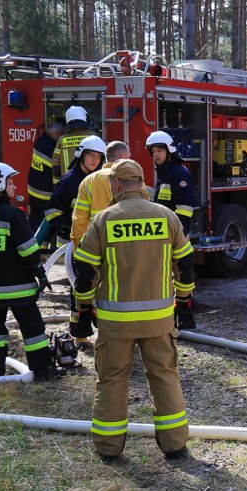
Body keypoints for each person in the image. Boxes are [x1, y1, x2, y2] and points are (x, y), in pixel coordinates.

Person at [72, 159, 196, 463]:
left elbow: (84, 271)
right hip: (159, 320)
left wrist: (83, 310)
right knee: (165, 376)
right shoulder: (166, 217)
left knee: (112, 380)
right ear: (142, 184)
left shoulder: (103, 220)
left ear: (115, 185)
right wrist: (184, 302)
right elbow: (186, 266)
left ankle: (109, 449)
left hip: (115, 323)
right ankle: (175, 446)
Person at [0, 162, 57, 379]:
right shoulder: (12, 214)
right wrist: (40, 274)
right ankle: (42, 369)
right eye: (10, 182)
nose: (14, 186)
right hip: (19, 289)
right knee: (32, 329)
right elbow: (29, 250)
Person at [36, 134, 106, 350]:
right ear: (80, 156)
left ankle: (105, 333)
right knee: (80, 289)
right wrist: (67, 227)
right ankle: (81, 337)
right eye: (90, 156)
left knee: (102, 289)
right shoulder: (70, 181)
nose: (94, 160)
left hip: (100, 244)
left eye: (98, 156)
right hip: (78, 246)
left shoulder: (100, 181)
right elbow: (51, 209)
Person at [70, 141, 132, 246]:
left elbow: (79, 220)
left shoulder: (88, 181)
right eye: (129, 157)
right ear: (122, 156)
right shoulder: (133, 179)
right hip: (126, 244)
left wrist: (78, 246)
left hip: (97, 243)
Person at [146, 131, 197, 234]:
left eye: (159, 151)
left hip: (174, 232)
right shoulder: (164, 172)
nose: (155, 155)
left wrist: (177, 233)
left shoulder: (179, 173)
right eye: (153, 151)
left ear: (169, 151)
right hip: (163, 230)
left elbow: (184, 209)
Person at [28, 118, 64, 231]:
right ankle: (43, 246)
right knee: (47, 223)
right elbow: (57, 168)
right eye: (62, 134)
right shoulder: (50, 148)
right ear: (56, 133)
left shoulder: (41, 141)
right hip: (44, 192)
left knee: (34, 219)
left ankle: (33, 245)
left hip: (32, 189)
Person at [51, 105, 96, 186]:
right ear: (85, 118)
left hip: (68, 184)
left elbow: (55, 165)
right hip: (90, 184)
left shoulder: (62, 139)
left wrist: (57, 185)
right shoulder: (94, 137)